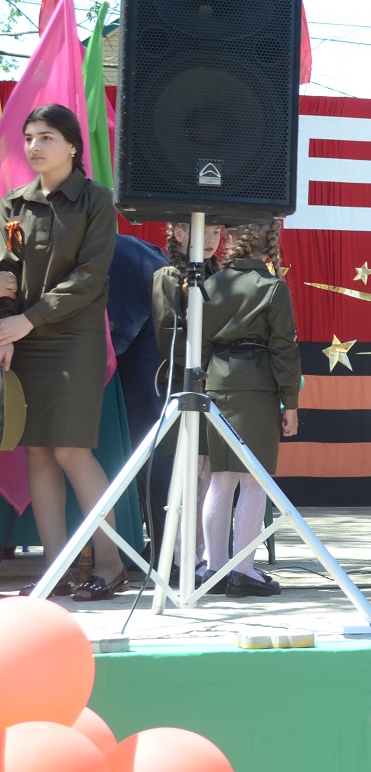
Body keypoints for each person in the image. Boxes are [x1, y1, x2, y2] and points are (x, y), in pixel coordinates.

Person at [0, 104, 127, 600]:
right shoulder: (13, 205)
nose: (34, 146)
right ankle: (56, 570)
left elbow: (90, 277)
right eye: (29, 137)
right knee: (37, 452)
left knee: (72, 449)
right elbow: (7, 269)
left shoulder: (97, 201)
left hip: (74, 339)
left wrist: (27, 319)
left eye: (47, 137)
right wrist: (6, 328)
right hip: (22, 338)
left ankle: (109, 564)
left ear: (73, 145)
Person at [195, 221, 299, 597]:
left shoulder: (210, 285)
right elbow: (284, 348)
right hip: (256, 386)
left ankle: (214, 569)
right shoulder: (272, 287)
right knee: (254, 479)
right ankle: (243, 570)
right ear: (269, 246)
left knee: (220, 478)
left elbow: (199, 343)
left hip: (216, 382)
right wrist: (291, 401)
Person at [148, 222, 223, 576]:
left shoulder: (222, 276)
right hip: (185, 383)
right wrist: (208, 358)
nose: (210, 240)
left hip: (221, 385)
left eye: (217, 232)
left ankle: (208, 557)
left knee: (213, 475)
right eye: (203, 230)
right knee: (187, 475)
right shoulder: (167, 276)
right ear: (179, 233)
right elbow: (169, 337)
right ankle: (179, 559)